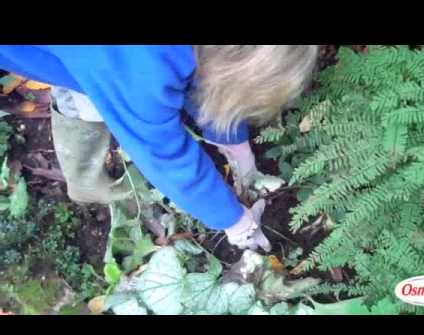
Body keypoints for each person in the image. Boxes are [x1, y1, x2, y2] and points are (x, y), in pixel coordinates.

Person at [0, 45, 318, 252]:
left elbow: (207, 74)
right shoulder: (136, 70)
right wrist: (236, 223)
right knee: (89, 102)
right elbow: (167, 159)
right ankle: (88, 184)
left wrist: (234, 142)